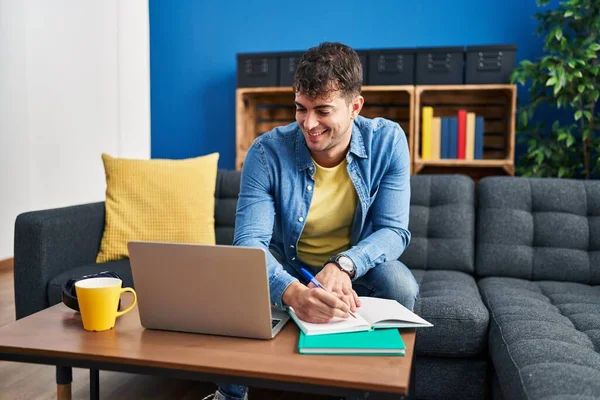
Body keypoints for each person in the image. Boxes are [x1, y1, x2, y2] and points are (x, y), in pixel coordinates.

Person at [211, 42, 419, 400]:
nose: (309, 124)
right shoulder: (265, 152)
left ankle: (378, 389)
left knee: (401, 287)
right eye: (300, 109)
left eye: (322, 110)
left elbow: (394, 230)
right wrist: (292, 292)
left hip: (355, 266)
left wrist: (345, 265)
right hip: (288, 266)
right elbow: (248, 244)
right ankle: (229, 396)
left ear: (355, 106)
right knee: (234, 284)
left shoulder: (388, 141)